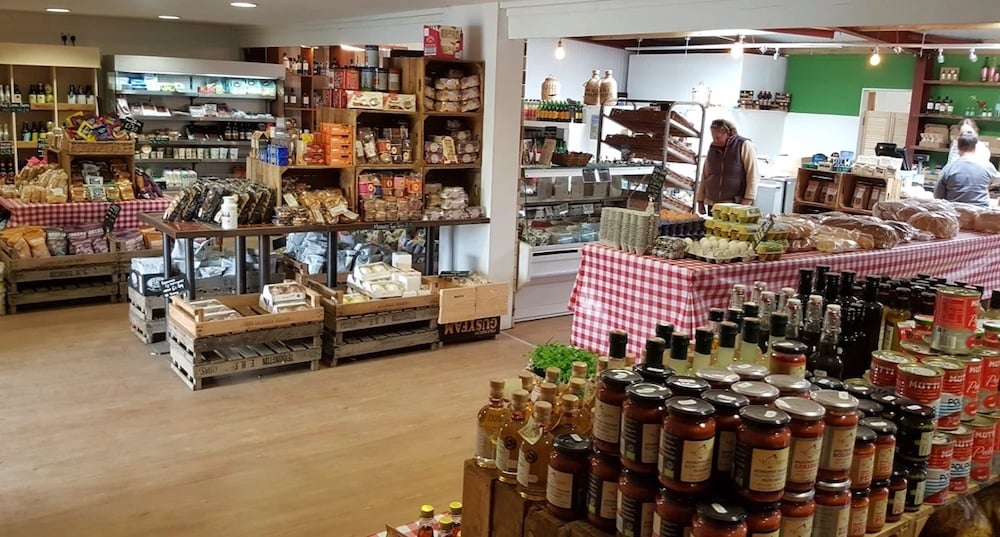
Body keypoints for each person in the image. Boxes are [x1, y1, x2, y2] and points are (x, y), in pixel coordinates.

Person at [696, 118, 759, 214]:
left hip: (735, 203)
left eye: (718, 137)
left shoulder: (744, 145)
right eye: (713, 137)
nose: (715, 140)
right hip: (713, 203)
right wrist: (700, 200)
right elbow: (705, 174)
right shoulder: (713, 148)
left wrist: (748, 199)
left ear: (728, 133)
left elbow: (753, 174)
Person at [935, 132, 999, 207]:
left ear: (958, 148)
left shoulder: (948, 168)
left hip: (954, 214)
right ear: (975, 147)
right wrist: (987, 185)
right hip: (980, 213)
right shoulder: (986, 166)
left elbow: (938, 196)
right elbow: (998, 180)